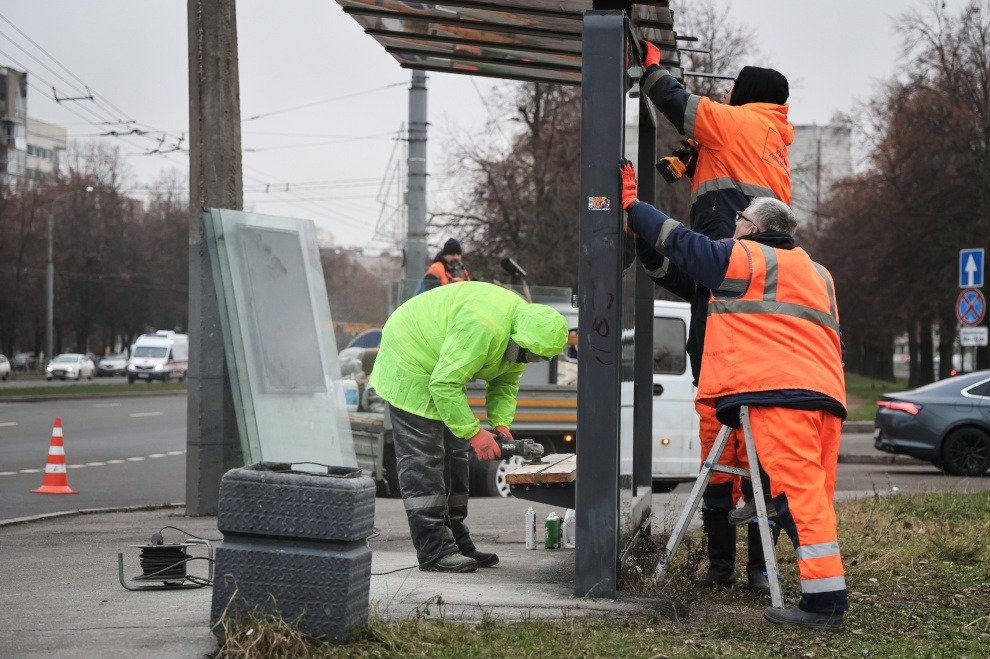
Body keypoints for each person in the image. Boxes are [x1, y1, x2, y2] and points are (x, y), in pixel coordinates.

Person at [622, 161, 848, 632]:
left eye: (740, 222)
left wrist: (632, 206)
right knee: (809, 499)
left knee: (800, 498)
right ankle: (823, 592)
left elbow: (683, 243)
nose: (735, 227)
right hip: (826, 395)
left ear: (755, 228)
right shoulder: (819, 273)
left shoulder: (748, 259)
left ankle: (824, 607)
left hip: (781, 394)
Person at [637, 39, 795, 593]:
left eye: (732, 92)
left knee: (718, 445)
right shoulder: (772, 143)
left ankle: (722, 571)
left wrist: (652, 68)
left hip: (725, 321)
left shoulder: (736, 124)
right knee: (757, 457)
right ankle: (757, 572)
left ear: (745, 97)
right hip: (753, 317)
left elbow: (678, 104)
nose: (724, 97)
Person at [368, 281, 568, 573]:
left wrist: (500, 425)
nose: (528, 361)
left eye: (536, 358)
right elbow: (444, 383)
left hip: (440, 370)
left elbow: (505, 382)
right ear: (517, 337)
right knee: (425, 462)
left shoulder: (524, 334)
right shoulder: (483, 327)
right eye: (527, 354)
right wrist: (475, 433)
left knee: (456, 457)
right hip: (410, 360)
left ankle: (457, 542)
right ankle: (434, 551)